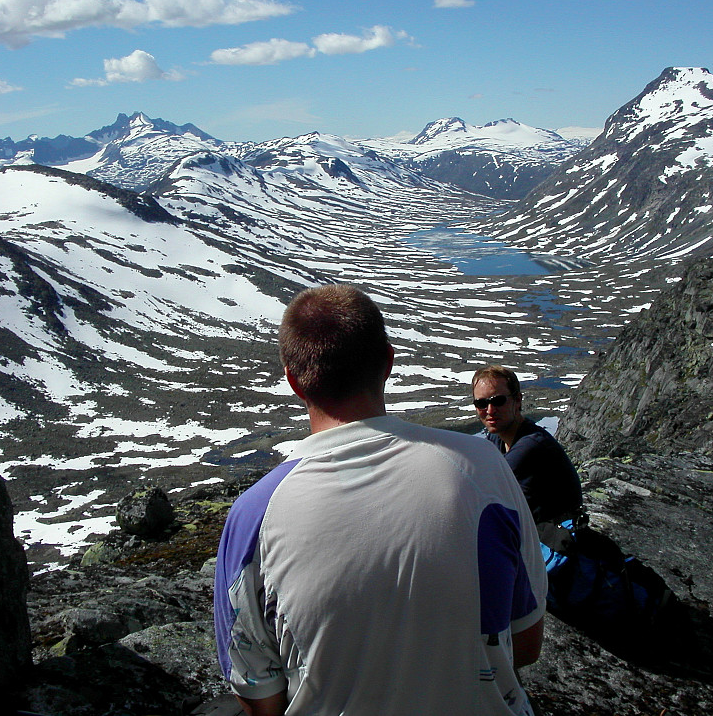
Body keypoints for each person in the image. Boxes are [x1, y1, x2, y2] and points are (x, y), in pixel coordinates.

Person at [214, 285, 547, 716]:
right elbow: (525, 640)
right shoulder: (483, 467)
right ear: (387, 363)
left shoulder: (252, 517)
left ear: (294, 381)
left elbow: (261, 698)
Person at [472, 365, 583, 527]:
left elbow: (483, 490)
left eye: (498, 401)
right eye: (481, 403)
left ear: (517, 400)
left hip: (552, 541)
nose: (490, 410)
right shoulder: (497, 439)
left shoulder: (531, 446)